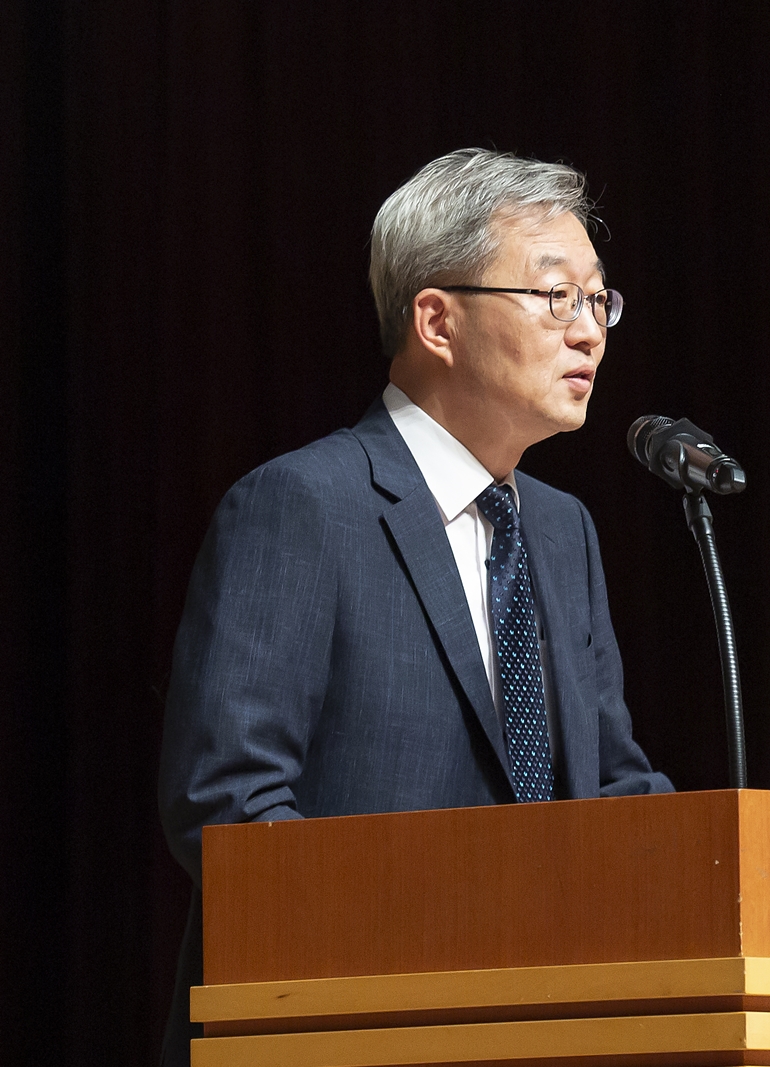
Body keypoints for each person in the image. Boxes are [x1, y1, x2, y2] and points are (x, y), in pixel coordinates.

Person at [155, 149, 672, 1066]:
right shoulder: (303, 505)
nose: (591, 331)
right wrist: (444, 938)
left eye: (601, 301)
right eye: (557, 297)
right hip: (346, 1031)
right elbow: (228, 807)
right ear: (437, 319)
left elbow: (615, 793)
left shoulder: (563, 531)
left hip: (557, 1029)